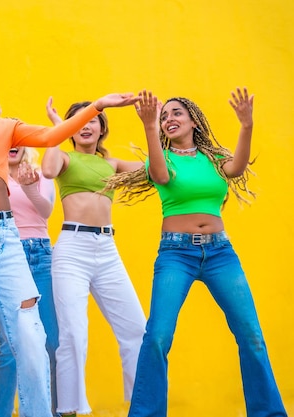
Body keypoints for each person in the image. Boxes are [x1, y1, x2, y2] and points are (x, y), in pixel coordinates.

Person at [0, 45, 140, 417]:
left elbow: (51, 136)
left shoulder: (7, 126)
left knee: (32, 338)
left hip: (7, 237)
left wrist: (97, 107)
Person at [105, 89, 287, 416]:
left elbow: (237, 168)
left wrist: (246, 125)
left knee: (251, 335)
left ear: (193, 121)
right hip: (176, 254)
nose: (169, 119)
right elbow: (160, 176)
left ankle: (269, 412)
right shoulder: (161, 158)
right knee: (158, 335)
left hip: (221, 254)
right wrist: (149, 125)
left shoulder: (213, 159)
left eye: (176, 113)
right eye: (164, 116)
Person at [41, 99, 147, 417]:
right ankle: (71, 409)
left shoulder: (112, 165)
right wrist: (58, 127)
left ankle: (141, 404)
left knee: (137, 329)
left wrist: (151, 125)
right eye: (78, 121)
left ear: (102, 128)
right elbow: (47, 169)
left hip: (107, 250)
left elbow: (155, 172)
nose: (86, 125)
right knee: (74, 333)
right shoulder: (63, 156)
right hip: (72, 249)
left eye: (92, 121)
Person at [0, 146, 59, 417]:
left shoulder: (42, 175)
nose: (12, 144)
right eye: (6, 140)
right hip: (4, 254)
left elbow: (46, 210)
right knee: (10, 344)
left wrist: (28, 187)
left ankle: (47, 412)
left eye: (18, 140)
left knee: (50, 341)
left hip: (40, 254)